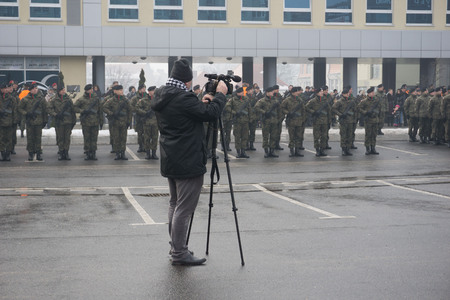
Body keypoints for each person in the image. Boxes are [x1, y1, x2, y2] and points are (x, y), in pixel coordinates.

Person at [151, 58, 227, 266]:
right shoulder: (183, 98)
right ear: (186, 80)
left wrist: (201, 103)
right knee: (184, 208)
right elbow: (210, 114)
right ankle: (179, 253)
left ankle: (175, 247)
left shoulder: (163, 94)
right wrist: (220, 94)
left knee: (175, 204)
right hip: (187, 159)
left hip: (172, 157)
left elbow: (189, 113)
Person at [18, 83, 48, 161]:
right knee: (30, 138)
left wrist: (45, 121)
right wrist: (26, 113)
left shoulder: (41, 99)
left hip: (39, 121)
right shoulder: (25, 99)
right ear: (30, 90)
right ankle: (31, 153)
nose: (35, 90)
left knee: (38, 138)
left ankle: (38, 153)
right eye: (34, 89)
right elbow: (19, 108)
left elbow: (45, 110)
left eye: (36, 88)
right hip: (30, 122)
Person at [102, 85, 132, 160]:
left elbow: (130, 111)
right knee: (116, 138)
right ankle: (117, 153)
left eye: (122, 90)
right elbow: (104, 107)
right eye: (120, 90)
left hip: (124, 122)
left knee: (123, 138)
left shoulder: (126, 100)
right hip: (115, 122)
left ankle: (123, 153)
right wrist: (111, 113)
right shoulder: (111, 100)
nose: (121, 91)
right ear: (115, 91)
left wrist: (129, 121)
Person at [74, 84, 103, 160]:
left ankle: (93, 153)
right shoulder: (81, 99)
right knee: (87, 138)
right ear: (87, 90)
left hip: (95, 122)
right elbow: (74, 108)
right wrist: (83, 111)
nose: (92, 90)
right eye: (90, 89)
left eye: (92, 89)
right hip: (86, 122)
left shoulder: (96, 99)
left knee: (94, 138)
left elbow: (100, 110)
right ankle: (87, 153)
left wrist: (101, 121)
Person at [47, 85, 76, 160]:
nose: (64, 91)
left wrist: (73, 121)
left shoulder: (68, 100)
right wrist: (55, 115)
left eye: (64, 90)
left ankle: (66, 153)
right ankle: (61, 152)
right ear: (59, 91)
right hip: (59, 121)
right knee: (60, 138)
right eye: (62, 90)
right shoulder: (54, 100)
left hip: (68, 121)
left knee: (67, 138)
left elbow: (73, 110)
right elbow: (49, 109)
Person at [254, 86, 280, 158]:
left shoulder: (275, 100)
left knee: (273, 136)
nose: (273, 93)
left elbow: (279, 110)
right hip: (266, 121)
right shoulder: (262, 100)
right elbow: (256, 107)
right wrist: (264, 112)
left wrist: (278, 119)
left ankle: (272, 151)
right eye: (271, 92)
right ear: (267, 93)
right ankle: (266, 151)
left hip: (274, 121)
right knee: (265, 137)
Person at [306, 87, 331, 157]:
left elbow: (329, 110)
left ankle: (322, 149)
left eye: (322, 91)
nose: (322, 92)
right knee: (316, 136)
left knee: (324, 136)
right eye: (321, 91)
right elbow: (306, 107)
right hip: (317, 121)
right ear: (317, 93)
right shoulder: (313, 101)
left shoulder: (325, 100)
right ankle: (317, 150)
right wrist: (313, 112)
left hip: (325, 121)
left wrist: (329, 120)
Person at [281, 86, 305, 157]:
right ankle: (292, 151)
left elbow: (303, 110)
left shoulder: (300, 100)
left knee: (298, 136)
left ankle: (297, 151)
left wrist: (303, 119)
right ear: (293, 92)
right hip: (291, 121)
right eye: (297, 91)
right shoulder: (287, 100)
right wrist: (288, 113)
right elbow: (282, 108)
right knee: (292, 137)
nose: (298, 93)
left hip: (299, 121)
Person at [136, 86, 159, 160]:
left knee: (155, 138)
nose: (154, 92)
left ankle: (154, 153)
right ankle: (148, 153)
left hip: (155, 122)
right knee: (147, 138)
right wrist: (145, 113)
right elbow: (137, 108)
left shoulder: (157, 100)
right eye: (153, 91)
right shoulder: (143, 100)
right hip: (147, 122)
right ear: (149, 92)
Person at [332, 88, 357, 156]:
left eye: (348, 93)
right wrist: (340, 114)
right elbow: (333, 108)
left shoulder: (351, 101)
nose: (347, 94)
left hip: (351, 121)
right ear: (343, 94)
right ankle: (343, 149)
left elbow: (355, 110)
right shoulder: (339, 101)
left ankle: (348, 149)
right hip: (343, 121)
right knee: (343, 135)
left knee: (349, 136)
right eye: (346, 93)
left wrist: (354, 119)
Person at [230, 87, 251, 158]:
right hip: (237, 122)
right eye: (241, 92)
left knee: (245, 137)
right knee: (237, 137)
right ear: (238, 93)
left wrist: (250, 119)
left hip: (245, 121)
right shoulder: (233, 100)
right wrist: (235, 113)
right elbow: (227, 108)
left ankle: (243, 151)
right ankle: (238, 152)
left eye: (243, 92)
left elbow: (249, 109)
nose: (243, 93)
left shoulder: (246, 99)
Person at [358, 87, 380, 155]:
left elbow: (379, 108)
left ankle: (373, 148)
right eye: (372, 93)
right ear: (369, 93)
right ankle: (367, 148)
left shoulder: (376, 100)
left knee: (374, 135)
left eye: (373, 92)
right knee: (368, 135)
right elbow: (359, 108)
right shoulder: (364, 101)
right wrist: (365, 112)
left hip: (375, 120)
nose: (373, 93)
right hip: (368, 120)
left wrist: (376, 113)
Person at [0, 83, 16, 161]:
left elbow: (15, 110)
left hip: (9, 121)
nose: (5, 90)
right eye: (4, 89)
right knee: (1, 139)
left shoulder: (11, 98)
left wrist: (15, 121)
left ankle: (8, 154)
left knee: (9, 139)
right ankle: (3, 154)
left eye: (6, 88)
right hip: (1, 122)